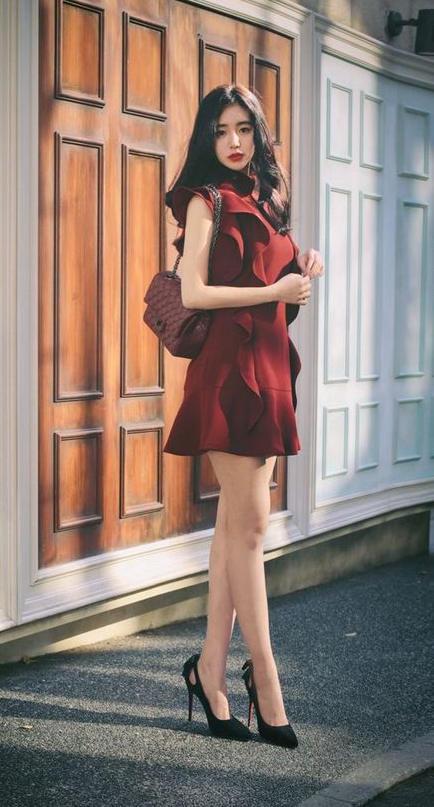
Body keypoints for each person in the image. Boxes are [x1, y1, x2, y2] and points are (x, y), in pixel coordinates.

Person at [163, 83, 325, 748]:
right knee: (251, 531)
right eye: (222, 130)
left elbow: (278, 303)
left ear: (258, 136)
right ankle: (267, 682)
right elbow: (195, 290)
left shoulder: (264, 202)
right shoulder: (206, 201)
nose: (234, 141)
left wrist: (302, 276)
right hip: (229, 376)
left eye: (245, 129)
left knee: (236, 531)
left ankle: (209, 670)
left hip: (266, 369)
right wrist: (275, 288)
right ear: (207, 138)